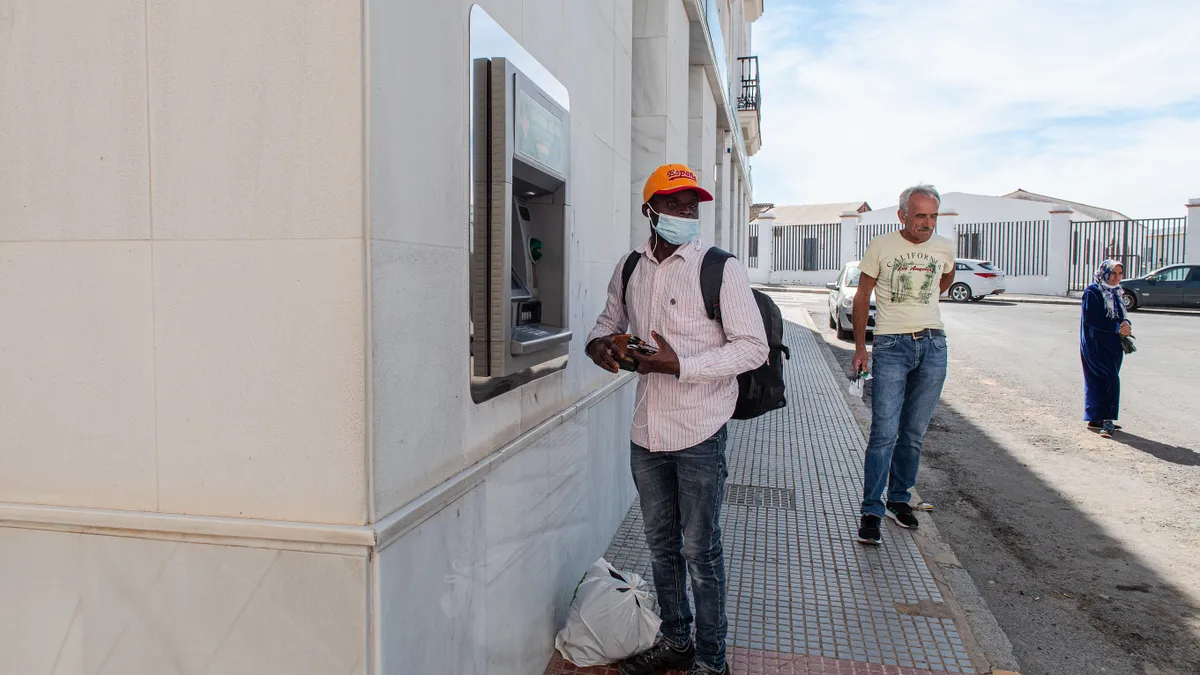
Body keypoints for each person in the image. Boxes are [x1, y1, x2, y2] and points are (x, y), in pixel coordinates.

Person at [586, 163, 768, 675]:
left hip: (700, 429)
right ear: (650, 211)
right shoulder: (630, 268)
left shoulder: (720, 268)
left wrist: (680, 365)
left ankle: (712, 661)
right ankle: (677, 641)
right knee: (661, 546)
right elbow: (606, 324)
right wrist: (604, 345)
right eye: (674, 202)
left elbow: (752, 348)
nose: (687, 210)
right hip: (647, 431)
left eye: (692, 203)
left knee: (700, 551)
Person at [850, 184, 956, 546]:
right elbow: (863, 296)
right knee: (884, 432)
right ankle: (870, 511)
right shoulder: (881, 246)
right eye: (920, 215)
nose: (927, 223)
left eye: (932, 216)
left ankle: (898, 500)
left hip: (933, 344)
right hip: (891, 344)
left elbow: (945, 278)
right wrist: (862, 346)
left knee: (913, 433)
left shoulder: (942, 246)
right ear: (902, 216)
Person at [1081, 259, 1132, 438]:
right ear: (1104, 273)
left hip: (1114, 344)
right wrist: (1117, 327)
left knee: (1101, 379)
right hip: (1096, 344)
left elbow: (1121, 315)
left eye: (1120, 273)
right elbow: (1091, 319)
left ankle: (1096, 418)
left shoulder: (1117, 292)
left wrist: (1126, 324)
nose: (1116, 277)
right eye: (1113, 273)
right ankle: (1108, 420)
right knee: (1110, 379)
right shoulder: (1093, 292)